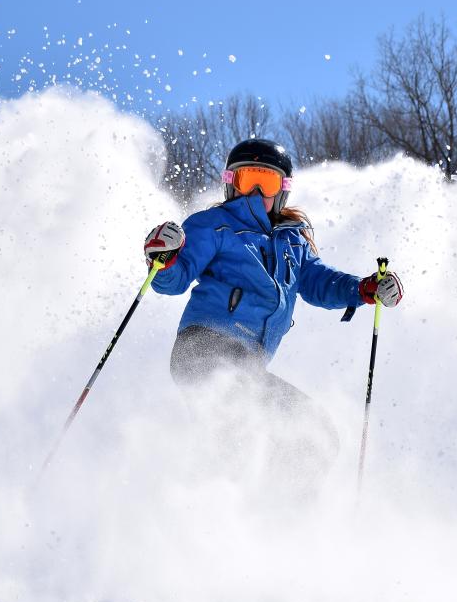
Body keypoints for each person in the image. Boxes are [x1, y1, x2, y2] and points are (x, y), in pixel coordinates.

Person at [143, 138, 402, 491]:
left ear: (282, 190)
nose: (255, 193)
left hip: (245, 362)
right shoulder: (213, 224)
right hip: (204, 349)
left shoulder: (292, 241)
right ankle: (220, 517)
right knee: (247, 439)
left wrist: (363, 289)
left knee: (315, 437)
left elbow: (319, 281)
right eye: (247, 179)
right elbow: (173, 281)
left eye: (265, 182)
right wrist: (165, 257)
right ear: (230, 183)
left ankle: (270, 525)